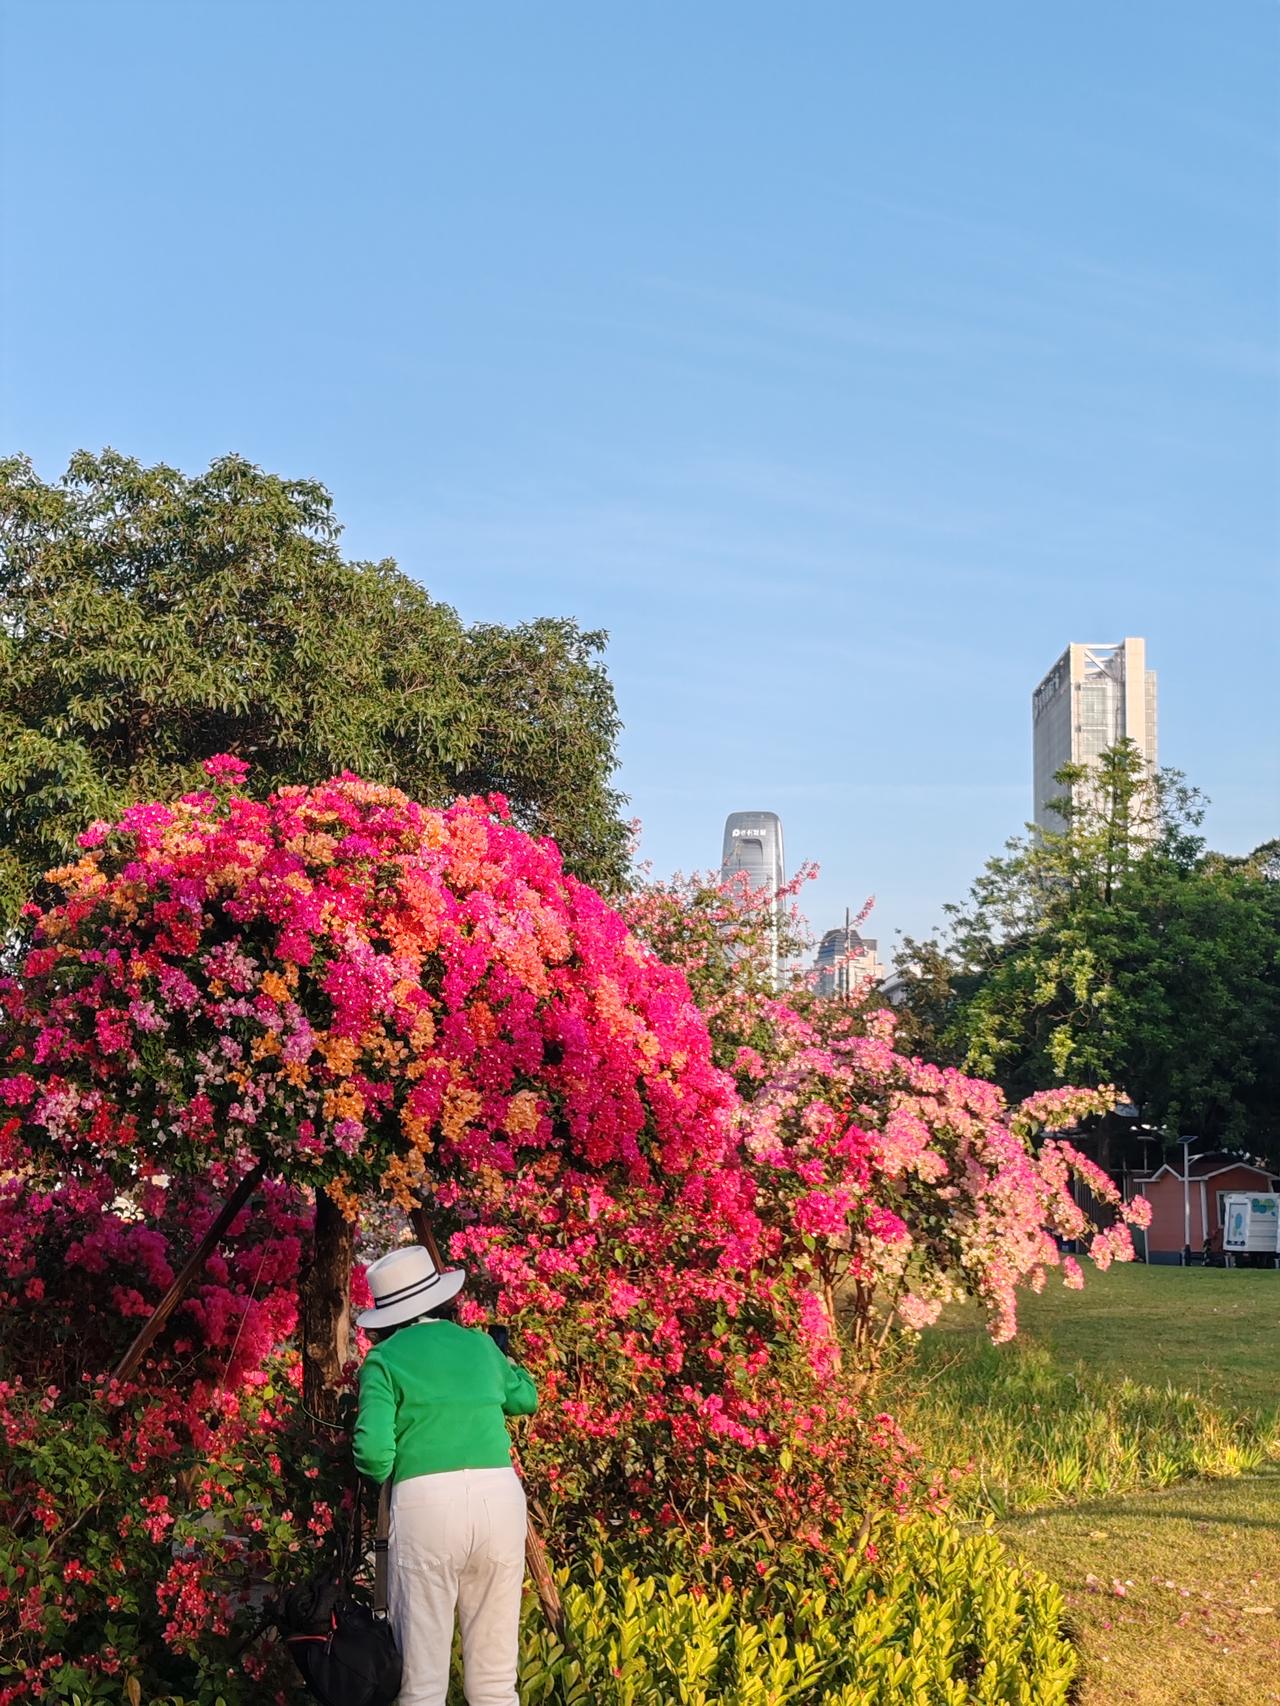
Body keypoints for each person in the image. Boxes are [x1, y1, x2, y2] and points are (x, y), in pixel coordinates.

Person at [354, 1243, 537, 1706]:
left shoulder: (384, 1360)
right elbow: (525, 1399)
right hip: (499, 1499)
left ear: (386, 1315)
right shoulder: (478, 1343)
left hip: (427, 1506)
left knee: (422, 1683)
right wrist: (503, 1361)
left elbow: (374, 1454)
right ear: (440, 1298)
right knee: (496, 1681)